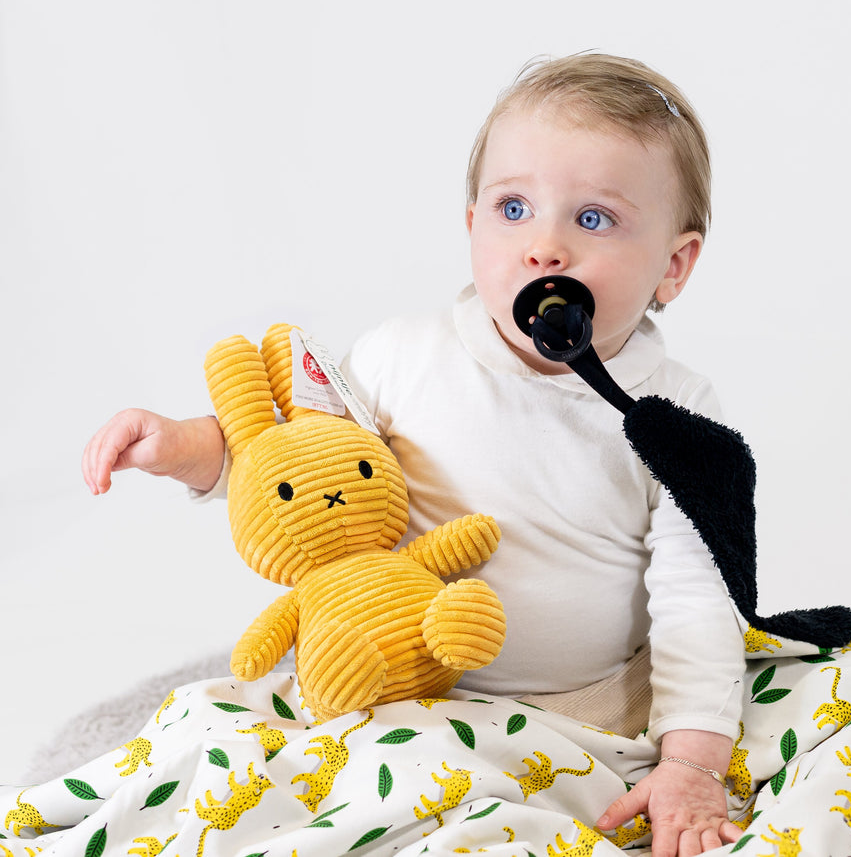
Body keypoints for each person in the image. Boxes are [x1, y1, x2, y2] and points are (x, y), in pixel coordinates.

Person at [80, 52, 746, 857]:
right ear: (470, 225)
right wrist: (186, 446)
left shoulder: (678, 415)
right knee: (233, 771)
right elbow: (296, 460)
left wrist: (692, 763)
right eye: (513, 208)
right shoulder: (405, 355)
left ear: (673, 266)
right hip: (393, 688)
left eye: (594, 219)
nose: (544, 247)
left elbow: (697, 598)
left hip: (588, 709)